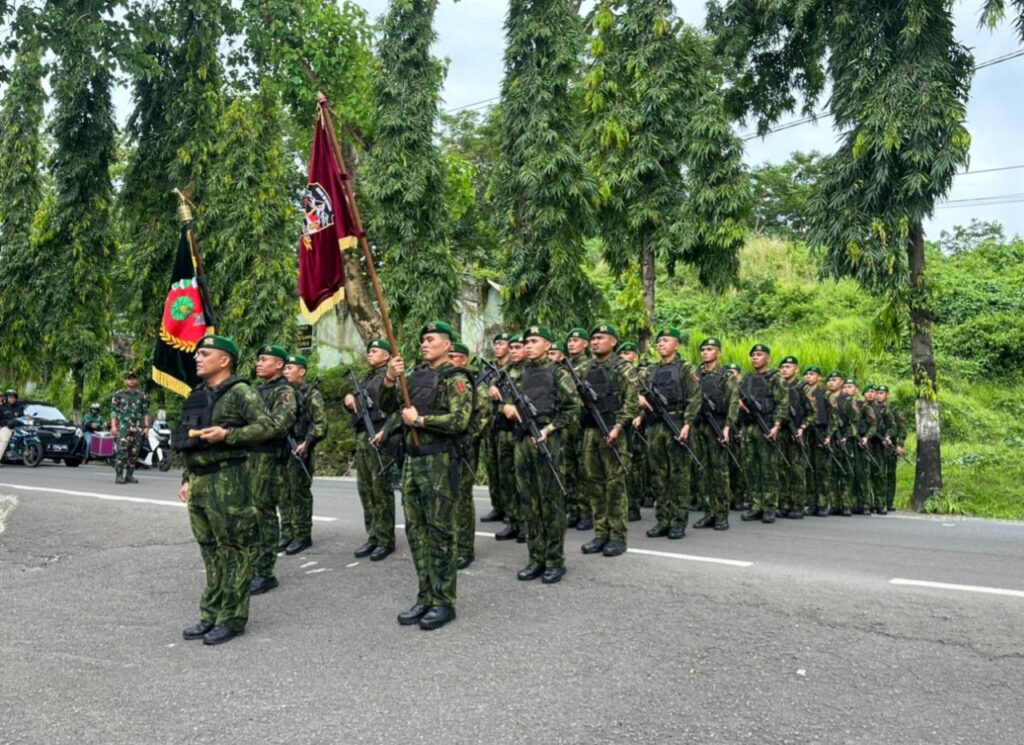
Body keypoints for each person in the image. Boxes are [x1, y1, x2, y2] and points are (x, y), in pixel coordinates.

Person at [175, 334, 274, 646]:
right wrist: (187, 478)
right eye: (198, 354)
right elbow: (188, 439)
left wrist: (228, 435)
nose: (197, 358)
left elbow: (268, 426)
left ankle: (231, 618)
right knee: (210, 550)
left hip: (229, 478)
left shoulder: (241, 392)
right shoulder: (197, 394)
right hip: (199, 481)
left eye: (205, 354)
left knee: (234, 550)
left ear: (224, 360)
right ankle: (210, 614)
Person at [381, 320, 473, 631]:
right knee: (416, 532)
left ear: (447, 345)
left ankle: (443, 602)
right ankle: (426, 596)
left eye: (431, 339)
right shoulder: (415, 376)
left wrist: (420, 421)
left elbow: (460, 420)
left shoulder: (456, 379)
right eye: (423, 339)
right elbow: (388, 407)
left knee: (441, 532)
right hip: (412, 461)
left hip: (439, 462)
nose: (424, 344)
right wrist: (390, 378)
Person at [502, 324, 579, 583]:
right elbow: (503, 400)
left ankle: (554, 561)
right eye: (527, 342)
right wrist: (505, 408)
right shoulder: (519, 373)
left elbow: (573, 409)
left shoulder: (558, 373)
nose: (529, 346)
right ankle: (536, 558)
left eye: (534, 341)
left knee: (551, 504)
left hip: (548, 440)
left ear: (547, 344)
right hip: (523, 441)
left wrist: (550, 428)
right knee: (529, 502)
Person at [578, 323, 638, 557]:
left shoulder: (623, 368)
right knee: (594, 484)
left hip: (614, 432)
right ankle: (600, 533)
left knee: (614, 486)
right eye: (593, 338)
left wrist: (618, 426)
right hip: (591, 431)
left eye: (601, 338)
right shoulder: (585, 368)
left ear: (613, 342)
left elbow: (631, 401)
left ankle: (617, 536)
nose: (595, 342)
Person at [639, 328, 701, 540]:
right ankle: (663, 520)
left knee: (679, 476)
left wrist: (688, 423)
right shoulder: (651, 370)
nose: (661, 344)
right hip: (656, 426)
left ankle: (678, 521)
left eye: (666, 340)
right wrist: (640, 402)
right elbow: (638, 391)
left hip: (677, 423)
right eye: (659, 341)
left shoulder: (685, 368)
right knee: (658, 475)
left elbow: (695, 397)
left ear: (677, 345)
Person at [249, 345, 297, 595]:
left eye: (264, 359)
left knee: (264, 514)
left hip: (269, 459)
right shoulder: (256, 391)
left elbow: (279, 425)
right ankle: (253, 564)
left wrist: (244, 431)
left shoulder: (284, 392)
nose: (259, 363)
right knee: (250, 514)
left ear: (279, 365)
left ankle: (265, 572)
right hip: (251, 458)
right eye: (258, 359)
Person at [345, 339, 398, 562]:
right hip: (363, 436)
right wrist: (348, 401)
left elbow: (397, 409)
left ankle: (385, 539)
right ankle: (373, 535)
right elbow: (357, 407)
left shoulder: (391, 377)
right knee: (365, 489)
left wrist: (385, 431)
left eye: (375, 351)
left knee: (381, 490)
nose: (370, 354)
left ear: (386, 355)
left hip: (380, 435)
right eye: (369, 351)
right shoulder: (366, 377)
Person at [280, 353, 328, 555]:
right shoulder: (282, 393)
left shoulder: (311, 394)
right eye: (284, 368)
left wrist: (307, 442)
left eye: (290, 368)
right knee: (283, 493)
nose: (285, 371)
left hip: (300, 447)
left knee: (299, 493)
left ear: (302, 372)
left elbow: (321, 424)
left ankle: (302, 535)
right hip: (282, 447)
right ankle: (287, 532)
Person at [448, 340, 490, 570]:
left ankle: (465, 548)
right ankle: (450, 542)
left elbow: (483, 415)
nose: (449, 360)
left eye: (453, 356)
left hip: (464, 447)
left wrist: (467, 439)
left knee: (462, 497)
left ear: (463, 360)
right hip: (444, 447)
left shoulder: (474, 382)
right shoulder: (444, 379)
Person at [692, 338, 739, 530]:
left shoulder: (725, 375)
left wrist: (728, 427)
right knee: (702, 470)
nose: (705, 352)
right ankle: (708, 512)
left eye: (709, 349)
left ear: (718, 352)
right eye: (703, 349)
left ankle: (721, 514)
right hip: (699, 426)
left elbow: (734, 401)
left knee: (719, 472)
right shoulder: (695, 374)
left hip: (718, 425)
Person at [738, 344, 788, 523]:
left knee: (768, 468)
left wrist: (777, 425)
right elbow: (736, 396)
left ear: (768, 358)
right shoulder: (747, 378)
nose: (755, 357)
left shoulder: (775, 377)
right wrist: (738, 404)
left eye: (759, 354)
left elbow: (782, 402)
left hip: (766, 426)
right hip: (748, 427)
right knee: (750, 467)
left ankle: (769, 507)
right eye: (753, 355)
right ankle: (755, 505)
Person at [491, 335, 525, 542]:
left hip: (522, 431)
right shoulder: (504, 372)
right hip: (504, 430)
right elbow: (493, 400)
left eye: (518, 347)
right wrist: (494, 394)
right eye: (511, 347)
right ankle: (513, 521)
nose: (513, 351)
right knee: (507, 478)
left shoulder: (532, 372)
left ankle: (526, 523)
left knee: (523, 479)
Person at [480, 332, 511, 524]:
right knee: (492, 466)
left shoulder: (512, 369)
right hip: (490, 423)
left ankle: (510, 509)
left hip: (506, 424)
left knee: (507, 469)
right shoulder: (489, 369)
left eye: (501, 343)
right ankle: (497, 506)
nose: (497, 346)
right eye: (496, 343)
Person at [778, 356, 814, 519]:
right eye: (782, 367)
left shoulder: (802, 388)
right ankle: (784, 504)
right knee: (782, 468)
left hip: (796, 431)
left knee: (797, 469)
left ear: (796, 369)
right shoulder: (778, 386)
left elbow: (812, 413)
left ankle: (797, 505)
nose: (785, 369)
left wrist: (802, 427)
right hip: (781, 432)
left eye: (788, 366)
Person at [563, 328, 591, 530]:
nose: (571, 344)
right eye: (569, 341)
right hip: (566, 424)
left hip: (582, 423)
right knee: (569, 469)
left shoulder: (590, 366)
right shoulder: (563, 367)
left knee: (584, 470)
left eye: (576, 340)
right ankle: (573, 511)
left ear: (585, 344)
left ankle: (586, 513)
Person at [617, 341, 647, 523]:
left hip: (636, 427)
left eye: (628, 354)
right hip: (620, 423)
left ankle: (634, 505)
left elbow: (648, 399)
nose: (624, 357)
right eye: (622, 354)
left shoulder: (641, 375)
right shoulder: (617, 374)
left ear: (635, 356)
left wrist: (640, 416)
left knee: (635, 468)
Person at [802, 366, 831, 516]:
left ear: (819, 377)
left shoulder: (825, 394)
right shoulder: (801, 392)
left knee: (821, 470)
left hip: (821, 432)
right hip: (807, 433)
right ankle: (811, 503)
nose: (808, 376)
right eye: (806, 374)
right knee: (809, 469)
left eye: (812, 374)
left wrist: (829, 435)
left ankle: (823, 503)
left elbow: (833, 417)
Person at [111, 372, 150, 484]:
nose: (132, 380)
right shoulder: (119, 394)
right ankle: (119, 475)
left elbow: (145, 412)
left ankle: (129, 475)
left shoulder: (141, 395)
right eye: (129, 378)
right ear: (125, 381)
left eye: (133, 378)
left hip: (137, 427)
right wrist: (113, 426)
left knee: (134, 451)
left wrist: (146, 427)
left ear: (137, 380)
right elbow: (113, 411)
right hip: (124, 427)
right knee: (122, 450)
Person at [0, 389, 26, 461]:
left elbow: (22, 418)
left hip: (18, 428)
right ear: (7, 398)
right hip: (7, 428)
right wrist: (6, 423)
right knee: (4, 440)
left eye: (14, 397)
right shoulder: (2, 407)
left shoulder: (20, 407)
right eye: (10, 397)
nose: (12, 399)